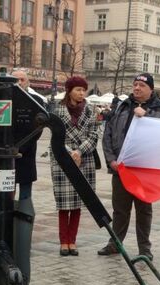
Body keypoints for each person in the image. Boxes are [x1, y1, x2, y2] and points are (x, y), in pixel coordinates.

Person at [100, 73, 160, 259]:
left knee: (144, 211)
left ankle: (144, 249)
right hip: (121, 169)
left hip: (145, 172)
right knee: (120, 210)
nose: (137, 88)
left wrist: (147, 116)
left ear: (151, 90)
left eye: (142, 85)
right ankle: (115, 243)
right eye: (135, 84)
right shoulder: (122, 107)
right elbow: (108, 134)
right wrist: (111, 160)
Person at [50, 75, 98, 256]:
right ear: (69, 91)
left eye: (83, 90)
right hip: (63, 160)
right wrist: (71, 152)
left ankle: (73, 241)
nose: (81, 93)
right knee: (64, 205)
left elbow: (94, 135)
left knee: (77, 203)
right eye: (78, 89)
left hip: (84, 160)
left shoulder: (90, 110)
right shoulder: (58, 110)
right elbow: (56, 137)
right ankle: (64, 241)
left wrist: (80, 151)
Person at [12, 68, 38, 202]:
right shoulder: (4, 99)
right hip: (7, 153)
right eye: (16, 80)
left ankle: (23, 220)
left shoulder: (36, 101)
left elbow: (37, 130)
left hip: (26, 153)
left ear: (28, 82)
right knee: (7, 193)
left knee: (25, 196)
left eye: (22, 80)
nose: (19, 83)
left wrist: (20, 147)